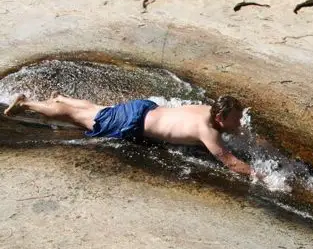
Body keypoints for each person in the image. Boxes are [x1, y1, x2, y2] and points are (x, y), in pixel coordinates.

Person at [3, 93, 259, 178]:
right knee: (77, 118)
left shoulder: (209, 111)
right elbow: (232, 163)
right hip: (132, 122)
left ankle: (63, 98)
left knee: (99, 111)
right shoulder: (209, 132)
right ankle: (28, 104)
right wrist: (262, 175)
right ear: (219, 118)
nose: (239, 122)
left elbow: (239, 131)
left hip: (145, 108)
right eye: (235, 118)